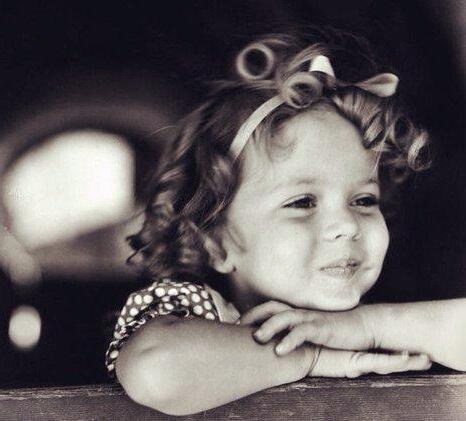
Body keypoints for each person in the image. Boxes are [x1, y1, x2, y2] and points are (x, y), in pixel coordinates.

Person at [105, 31, 466, 415]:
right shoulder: (189, 313)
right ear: (217, 244)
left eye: (364, 200)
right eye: (302, 203)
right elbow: (158, 371)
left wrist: (368, 327)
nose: (347, 225)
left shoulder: (375, 324)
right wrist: (309, 356)